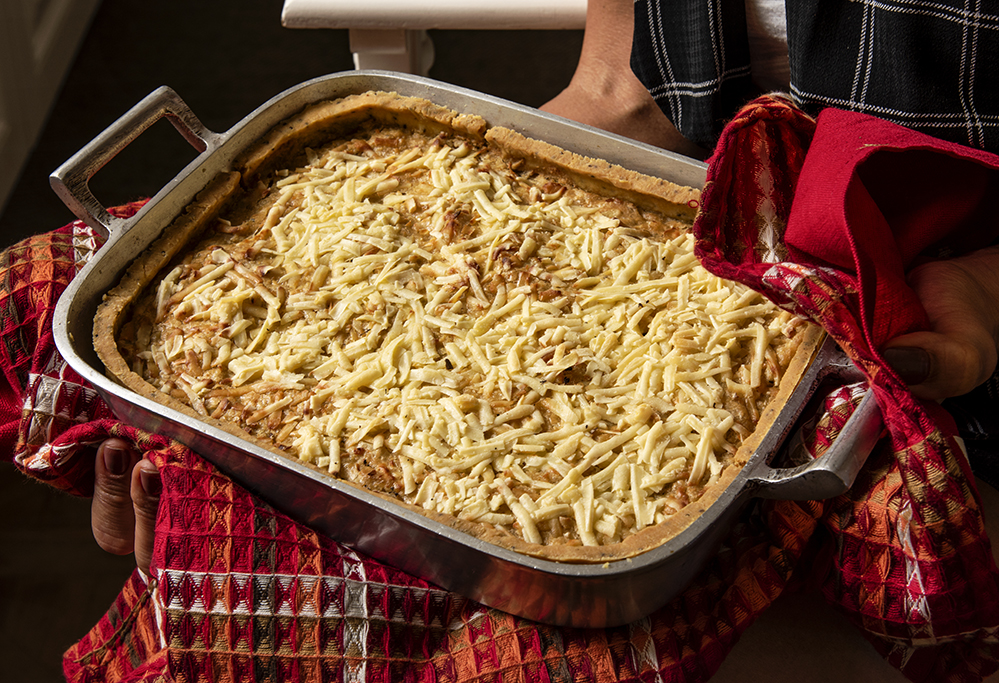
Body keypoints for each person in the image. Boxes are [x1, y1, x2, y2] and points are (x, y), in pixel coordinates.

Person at [93, 0, 999, 583]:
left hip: (905, 331)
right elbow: (618, 91)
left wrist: (981, 289)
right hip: (698, 236)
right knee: (230, 558)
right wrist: (451, 218)